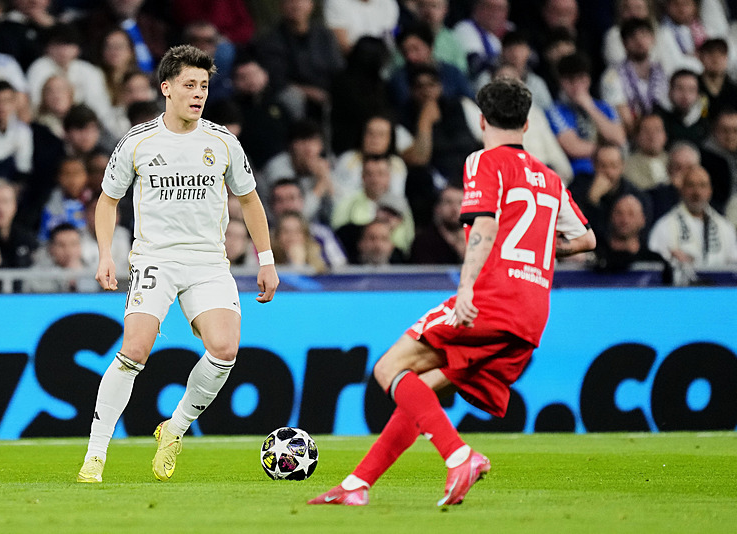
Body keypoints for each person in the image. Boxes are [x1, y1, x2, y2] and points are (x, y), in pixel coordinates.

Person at [308, 77, 594, 507]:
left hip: (491, 298)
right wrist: (539, 251)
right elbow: (587, 240)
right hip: (533, 310)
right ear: (527, 122)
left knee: (388, 369)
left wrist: (465, 288)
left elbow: (484, 226)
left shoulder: (484, 161)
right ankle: (357, 485)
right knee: (421, 388)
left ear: (481, 119)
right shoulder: (550, 178)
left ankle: (459, 456)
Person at [76, 45, 279, 484]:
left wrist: (266, 260)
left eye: (204, 86)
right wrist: (106, 254)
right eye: (189, 85)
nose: (198, 94)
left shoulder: (223, 142)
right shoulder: (138, 141)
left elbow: (250, 200)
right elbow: (108, 200)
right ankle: (95, 455)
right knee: (134, 351)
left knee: (225, 350)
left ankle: (176, 427)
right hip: (156, 258)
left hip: (208, 261)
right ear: (166, 88)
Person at [648, 165, 737, 284]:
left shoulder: (725, 228)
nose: (697, 192)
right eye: (691, 185)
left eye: (702, 185)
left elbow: (733, 265)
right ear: (682, 189)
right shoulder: (665, 226)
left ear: (710, 190)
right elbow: (653, 267)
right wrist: (672, 261)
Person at [409, 185, 465, 264]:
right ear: (437, 208)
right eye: (448, 202)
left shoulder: (478, 240)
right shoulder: (424, 242)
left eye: (460, 203)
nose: (455, 209)